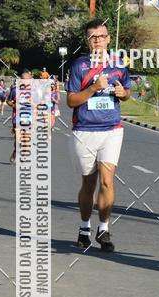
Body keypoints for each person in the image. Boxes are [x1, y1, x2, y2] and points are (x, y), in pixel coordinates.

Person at [66, 19, 132, 252]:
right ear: (87, 41)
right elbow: (71, 101)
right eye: (93, 37)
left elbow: (127, 91)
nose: (98, 41)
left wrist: (123, 93)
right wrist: (93, 88)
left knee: (107, 180)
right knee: (88, 183)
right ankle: (84, 228)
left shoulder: (118, 64)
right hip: (84, 130)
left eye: (102, 36)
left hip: (112, 130)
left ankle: (103, 229)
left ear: (108, 39)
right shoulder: (79, 66)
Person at [6, 70, 33, 164]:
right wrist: (14, 106)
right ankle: (15, 152)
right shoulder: (15, 90)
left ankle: (24, 156)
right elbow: (8, 101)